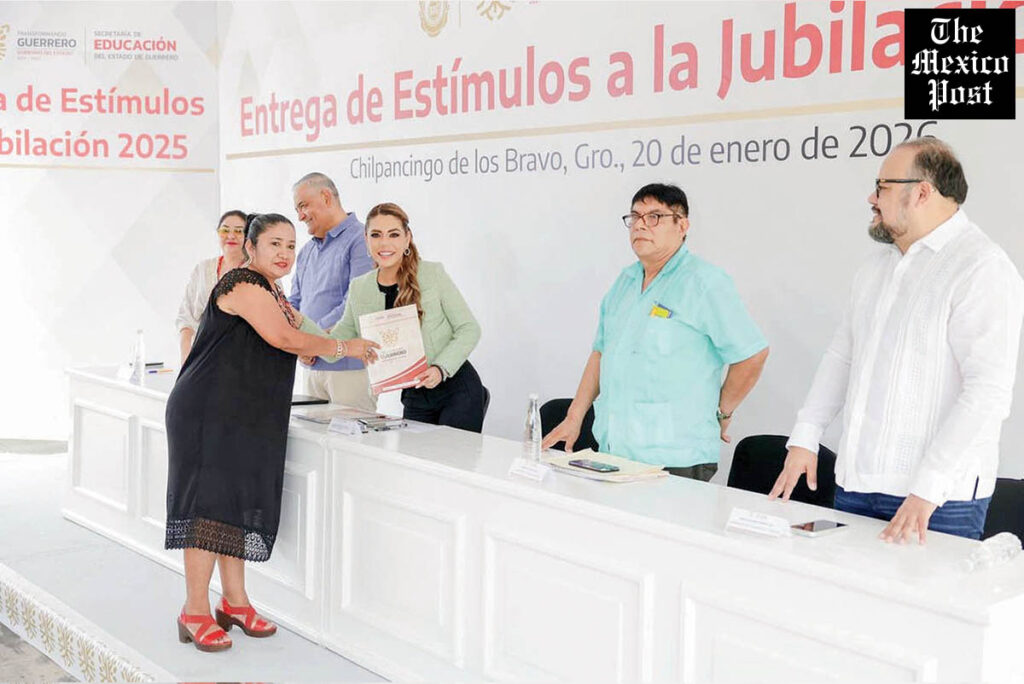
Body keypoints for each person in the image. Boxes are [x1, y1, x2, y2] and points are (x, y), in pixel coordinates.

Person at [770, 137, 1024, 543]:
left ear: (922, 192)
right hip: (857, 484)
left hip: (938, 501)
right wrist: (806, 435)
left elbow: (987, 393)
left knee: (923, 589)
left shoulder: (981, 267)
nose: (871, 198)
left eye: (882, 187)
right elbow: (842, 356)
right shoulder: (876, 267)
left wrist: (929, 487)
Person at [164, 213, 379, 652]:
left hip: (241, 415)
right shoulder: (242, 284)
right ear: (251, 248)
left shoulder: (273, 290)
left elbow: (303, 333)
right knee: (207, 509)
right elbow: (284, 338)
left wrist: (334, 346)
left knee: (235, 505)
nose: (284, 253)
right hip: (208, 412)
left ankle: (235, 603)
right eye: (274, 243)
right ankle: (194, 610)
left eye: (291, 245)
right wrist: (343, 348)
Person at [542, 183, 769, 481]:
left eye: (654, 217)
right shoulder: (624, 282)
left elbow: (752, 355)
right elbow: (600, 353)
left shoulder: (704, 282)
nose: (640, 225)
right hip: (613, 452)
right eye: (635, 217)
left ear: (682, 225)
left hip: (675, 458)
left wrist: (722, 412)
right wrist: (574, 416)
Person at [301, 202, 485, 431]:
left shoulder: (432, 274)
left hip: (456, 388)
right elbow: (336, 345)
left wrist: (440, 369)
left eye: (394, 234)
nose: (385, 243)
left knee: (449, 454)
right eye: (376, 235)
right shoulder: (360, 288)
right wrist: (299, 326)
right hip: (414, 395)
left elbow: (469, 328)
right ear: (366, 240)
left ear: (407, 239)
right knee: (413, 455)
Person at [289, 172, 376, 411]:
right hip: (311, 367)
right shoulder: (306, 251)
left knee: (353, 434)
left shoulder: (361, 239)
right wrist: (299, 345)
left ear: (326, 197)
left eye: (303, 206)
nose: (300, 216)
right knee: (311, 435)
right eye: (297, 209)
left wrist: (311, 341)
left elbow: (355, 303)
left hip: (349, 368)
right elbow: (293, 303)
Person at [175, 210, 247, 365]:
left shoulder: (258, 273)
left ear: (249, 236)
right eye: (225, 230)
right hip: (202, 359)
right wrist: (186, 362)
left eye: (238, 231)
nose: (231, 236)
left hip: (242, 362)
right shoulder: (202, 269)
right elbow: (186, 318)